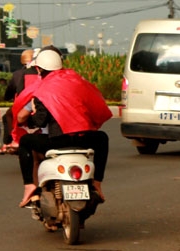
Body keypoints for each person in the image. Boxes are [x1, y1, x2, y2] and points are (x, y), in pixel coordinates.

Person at [17, 49, 112, 208]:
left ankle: (29, 186)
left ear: (39, 69)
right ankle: (97, 183)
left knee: (25, 141)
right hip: (83, 139)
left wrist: (31, 119)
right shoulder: (77, 81)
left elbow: (40, 121)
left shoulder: (42, 89)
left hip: (57, 141)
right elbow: (96, 105)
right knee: (102, 138)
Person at [0, 49, 38, 155]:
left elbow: (19, 93)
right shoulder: (47, 73)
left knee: (8, 115)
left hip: (27, 105)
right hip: (41, 105)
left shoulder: (19, 74)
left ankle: (12, 140)